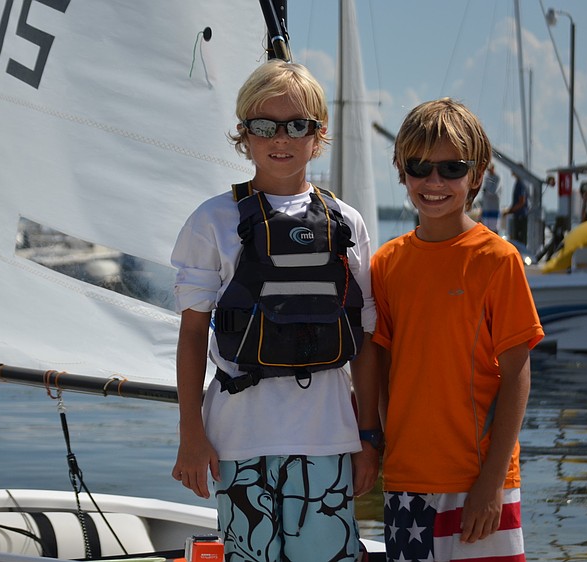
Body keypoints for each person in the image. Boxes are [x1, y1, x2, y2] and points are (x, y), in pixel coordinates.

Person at [170, 60, 379, 561]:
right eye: (264, 126)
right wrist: (190, 436)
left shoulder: (346, 222)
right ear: (243, 135)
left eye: (297, 125)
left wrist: (369, 435)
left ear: (318, 134)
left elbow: (367, 340)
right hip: (237, 439)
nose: (279, 139)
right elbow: (193, 333)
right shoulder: (212, 221)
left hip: (328, 436)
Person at [370, 98, 544, 562]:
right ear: (400, 169)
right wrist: (382, 445)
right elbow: (380, 368)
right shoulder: (386, 265)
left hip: (481, 485)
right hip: (407, 483)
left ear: (478, 173)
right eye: (419, 167)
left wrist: (489, 482)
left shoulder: (498, 260)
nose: (434, 182)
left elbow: (517, 377)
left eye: (452, 168)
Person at [503, 171, 529, 244]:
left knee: (519, 240)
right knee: (517, 239)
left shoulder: (521, 184)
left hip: (520, 216)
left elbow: (521, 201)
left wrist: (510, 210)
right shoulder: (519, 183)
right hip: (518, 215)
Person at [480, 163, 501, 232]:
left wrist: (487, 191)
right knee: (486, 228)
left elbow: (493, 191)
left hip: (494, 207)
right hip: (486, 207)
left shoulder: (497, 178)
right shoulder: (487, 178)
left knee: (494, 228)